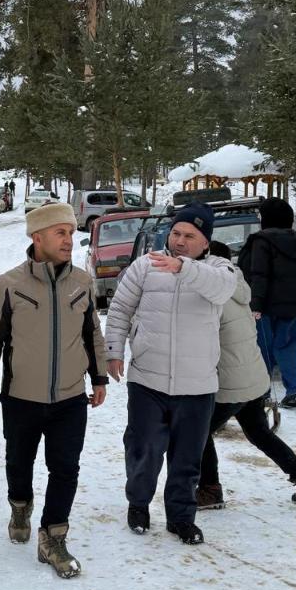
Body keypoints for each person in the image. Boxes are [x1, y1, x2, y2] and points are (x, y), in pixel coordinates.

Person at [0, 202, 109, 579]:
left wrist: (98, 379)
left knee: (65, 468)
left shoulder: (81, 281)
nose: (69, 239)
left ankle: (53, 536)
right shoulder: (10, 284)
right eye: (60, 233)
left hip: (70, 398)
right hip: (21, 398)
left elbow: (91, 334)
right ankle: (20, 505)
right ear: (38, 238)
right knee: (19, 464)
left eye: (70, 232)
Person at [103, 202, 236, 545]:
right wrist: (114, 351)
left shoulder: (220, 269)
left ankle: (180, 518)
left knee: (187, 459)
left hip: (197, 385)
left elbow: (221, 290)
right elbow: (119, 309)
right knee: (144, 449)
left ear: (205, 241)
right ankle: (138, 505)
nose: (179, 240)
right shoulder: (145, 267)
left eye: (189, 236)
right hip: (148, 378)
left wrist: (183, 268)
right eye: (176, 232)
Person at [197, 241, 296, 511]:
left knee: (197, 433)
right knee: (259, 433)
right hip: (254, 377)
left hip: (231, 384)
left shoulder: (215, 297)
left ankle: (210, 490)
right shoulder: (240, 289)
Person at [239, 197, 296, 408]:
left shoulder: (262, 242)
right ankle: (294, 391)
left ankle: (263, 392)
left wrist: (256, 305)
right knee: (289, 347)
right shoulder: (295, 243)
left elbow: (259, 275)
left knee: (264, 349)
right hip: (292, 304)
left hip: (267, 306)